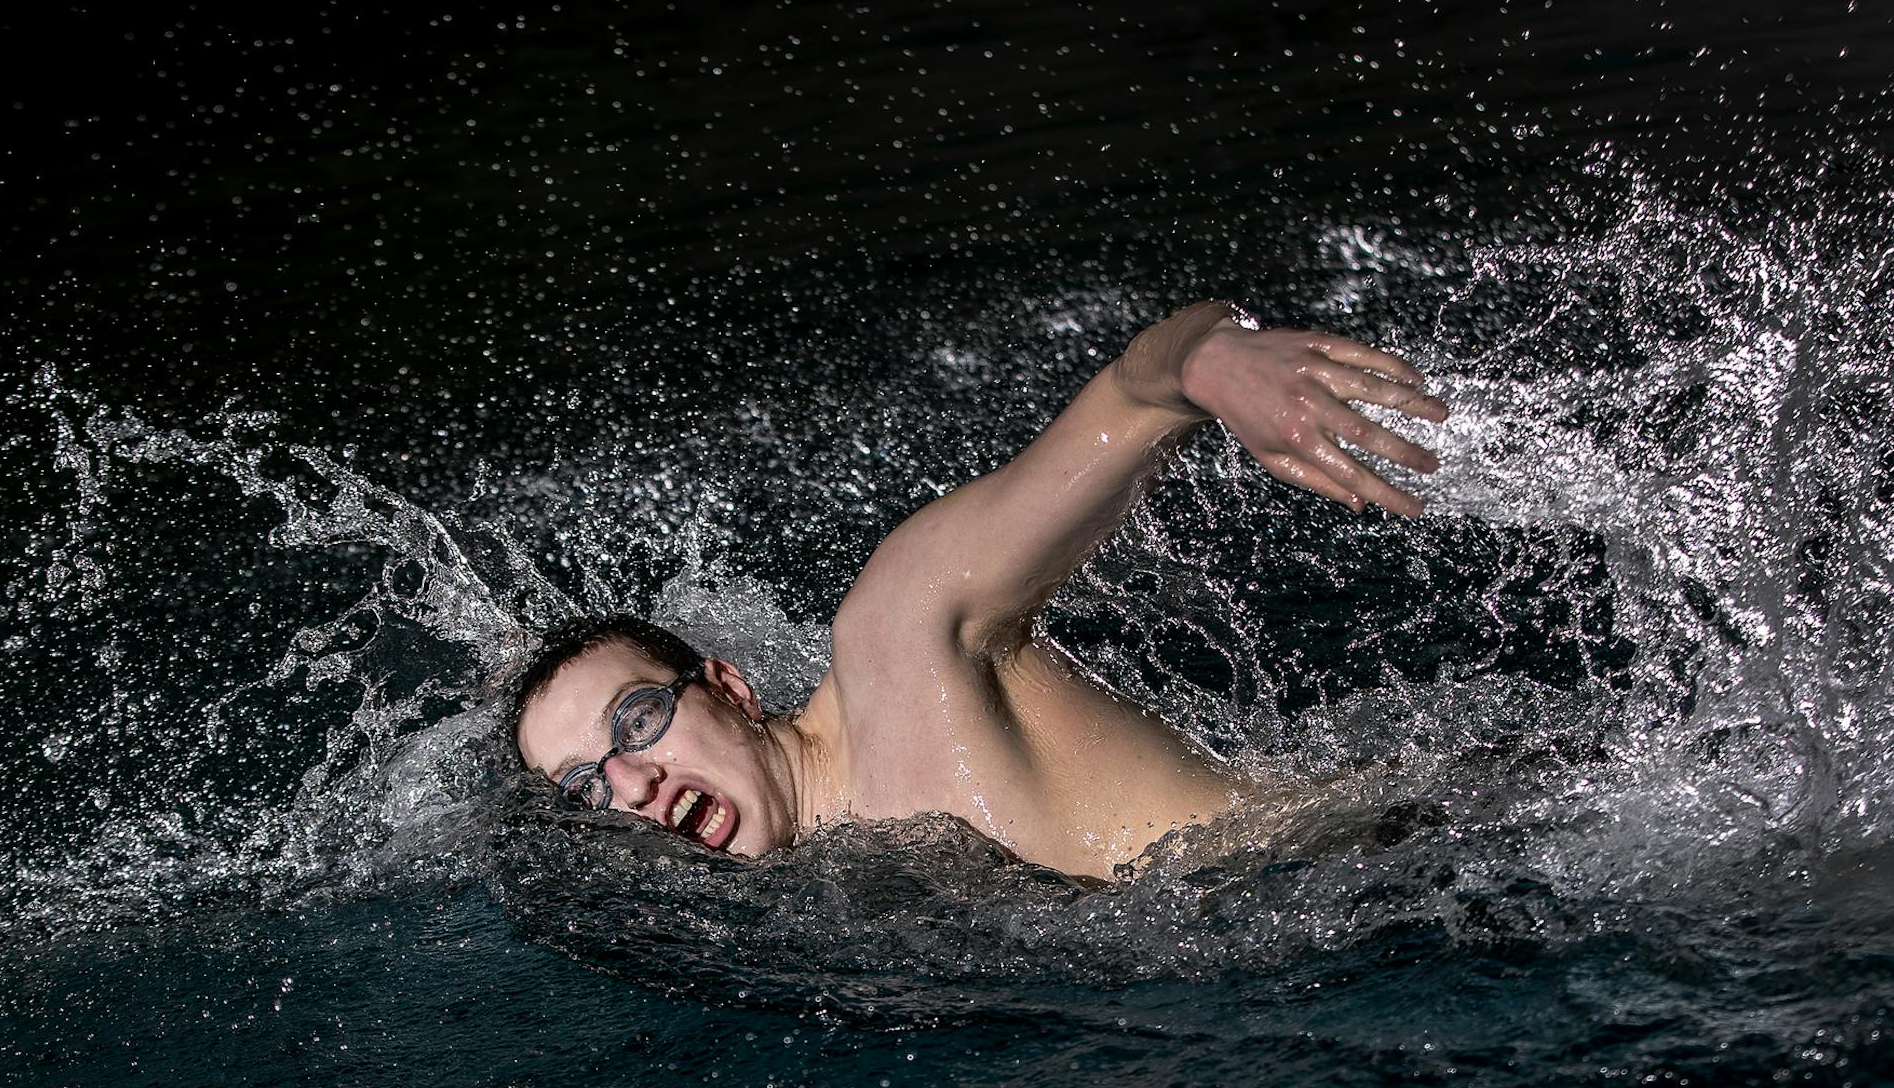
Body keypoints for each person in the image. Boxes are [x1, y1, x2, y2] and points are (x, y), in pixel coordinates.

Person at [509, 300, 1447, 881]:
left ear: (730, 688)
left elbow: (1137, 390)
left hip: (1414, 848)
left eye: (636, 722)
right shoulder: (826, 893)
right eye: (587, 785)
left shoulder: (899, 632)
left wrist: (1212, 362)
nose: (631, 784)